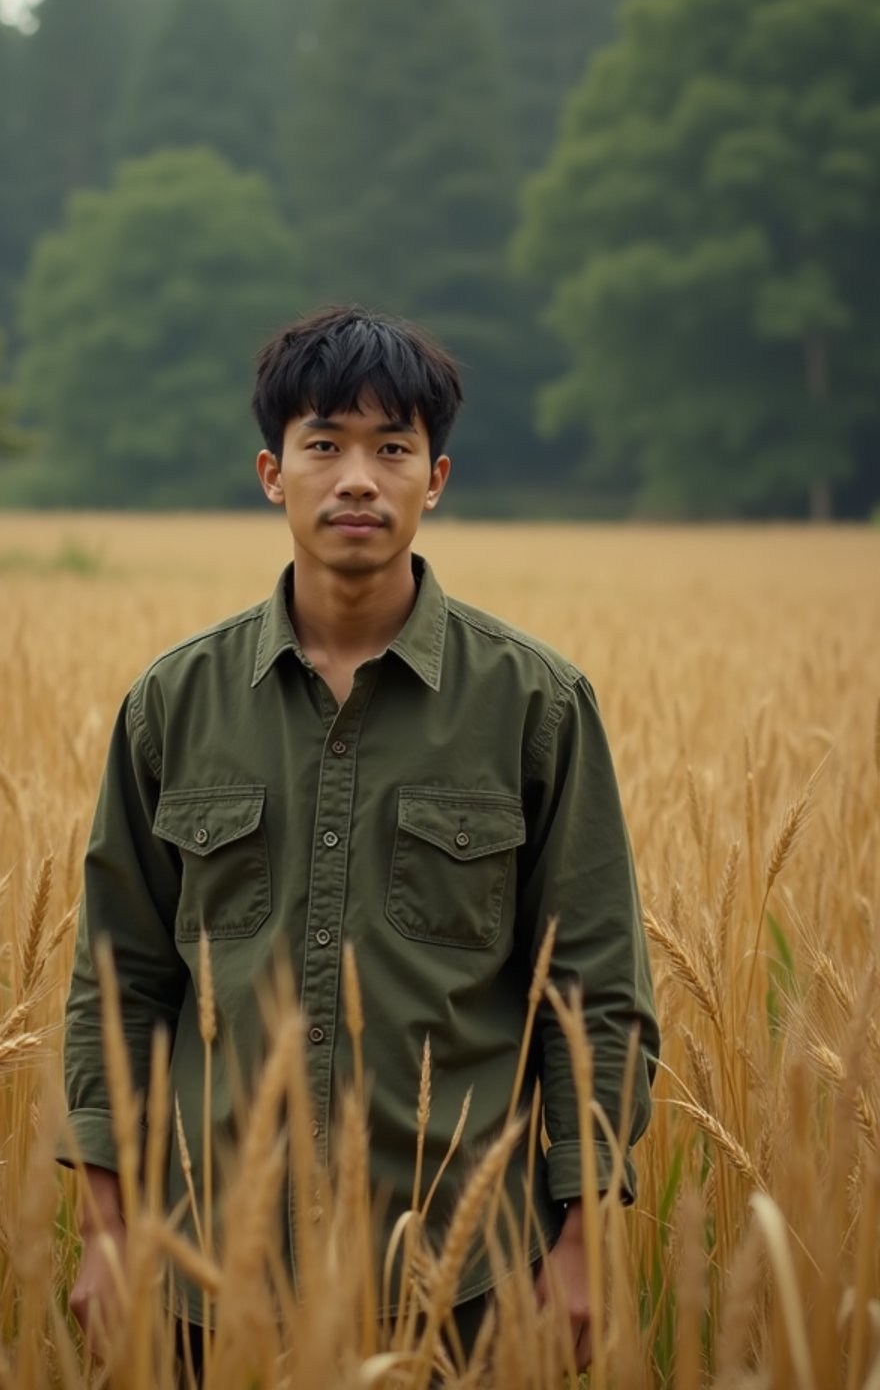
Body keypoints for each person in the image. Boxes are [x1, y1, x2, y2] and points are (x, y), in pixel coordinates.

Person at [62, 304, 659, 1372]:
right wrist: (108, 1230)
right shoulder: (173, 706)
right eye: (323, 444)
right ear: (269, 471)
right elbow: (118, 984)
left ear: (435, 480)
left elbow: (591, 990)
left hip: (466, 1280)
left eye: (392, 450)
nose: (356, 479)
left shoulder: (535, 705)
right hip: (210, 1279)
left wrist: (581, 1239)